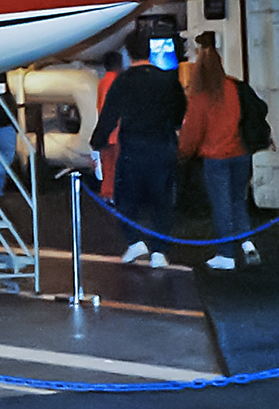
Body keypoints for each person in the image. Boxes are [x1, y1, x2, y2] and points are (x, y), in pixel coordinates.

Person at [90, 32, 187, 268]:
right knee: (161, 200)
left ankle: (135, 241)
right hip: (162, 145)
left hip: (133, 146)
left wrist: (97, 143)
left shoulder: (124, 81)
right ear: (150, 52)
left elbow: (109, 115)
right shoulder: (168, 80)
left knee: (125, 197)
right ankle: (159, 252)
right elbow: (180, 111)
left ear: (128, 53)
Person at [178, 32, 261, 270]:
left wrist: (183, 152)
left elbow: (192, 132)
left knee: (221, 204)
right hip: (240, 153)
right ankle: (247, 243)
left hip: (216, 158)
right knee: (238, 200)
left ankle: (226, 254)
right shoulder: (234, 87)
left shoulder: (200, 95)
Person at [94, 50, 123, 200]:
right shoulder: (115, 83)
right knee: (115, 168)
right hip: (115, 133)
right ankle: (112, 195)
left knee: (107, 168)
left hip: (105, 132)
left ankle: (107, 194)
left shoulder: (102, 82)